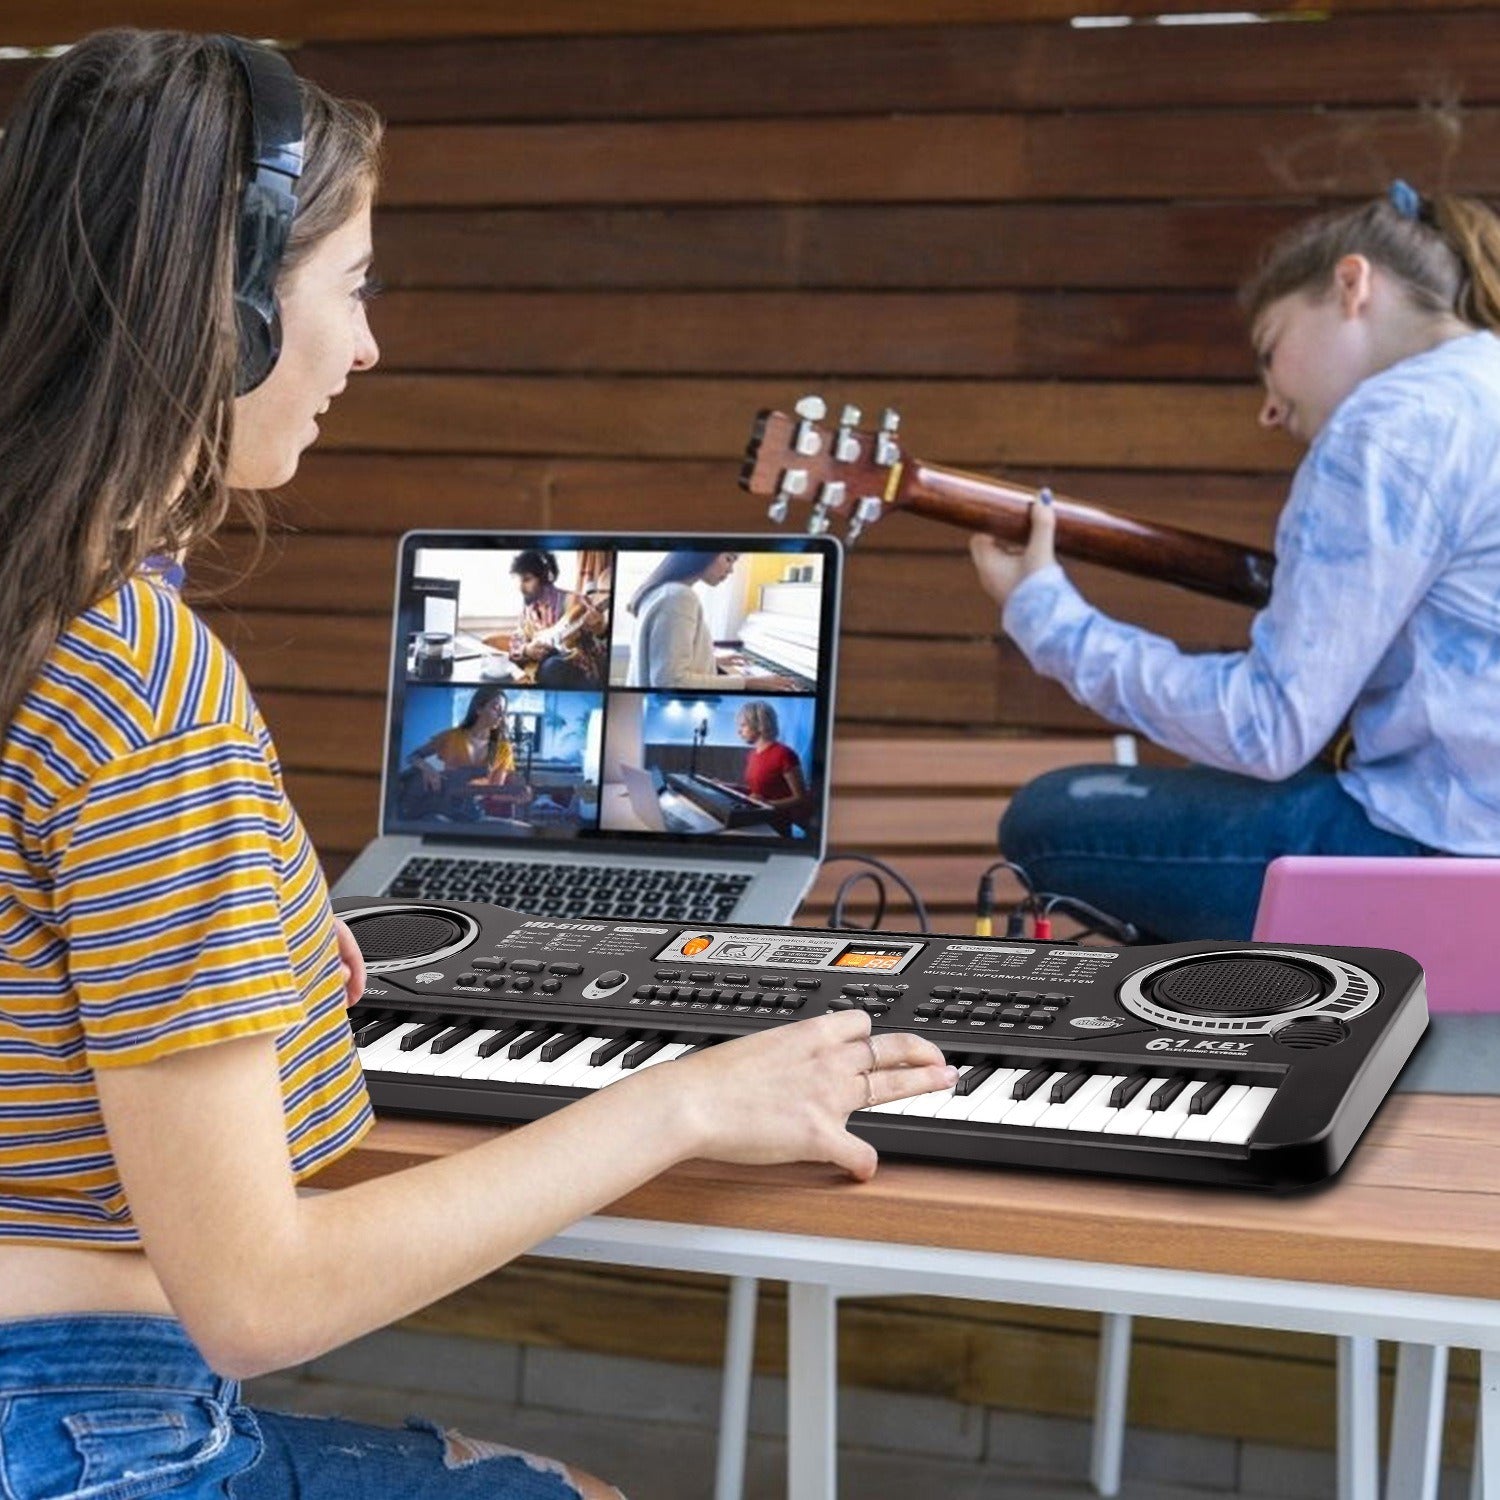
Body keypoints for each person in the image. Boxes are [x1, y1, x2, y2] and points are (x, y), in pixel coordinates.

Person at [0, 31, 956, 1500]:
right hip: (86, 1432)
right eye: (355, 285)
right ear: (231, 307)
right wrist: (683, 1101)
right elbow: (259, 1301)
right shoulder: (140, 678)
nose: (369, 347)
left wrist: (238, 920)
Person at [969, 182, 1500, 941]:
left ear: (1352, 285)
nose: (1269, 406)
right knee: (1205, 790)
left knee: (1054, 816)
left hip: (1448, 859)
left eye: (1269, 350)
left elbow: (1268, 727)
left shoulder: (1387, 426)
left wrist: (1047, 616)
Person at [624, 550, 798, 691]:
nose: (731, 570)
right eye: (729, 559)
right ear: (703, 553)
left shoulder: (663, 592)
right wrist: (747, 682)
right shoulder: (678, 596)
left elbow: (661, 661)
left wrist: (711, 661)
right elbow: (671, 683)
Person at [399, 685, 532, 822]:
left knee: (515, 827)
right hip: (442, 807)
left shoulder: (502, 748)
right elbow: (412, 756)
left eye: (503, 711)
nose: (501, 715)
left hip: (470, 810)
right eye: (496, 708)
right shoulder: (452, 736)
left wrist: (515, 796)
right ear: (479, 709)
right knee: (435, 822)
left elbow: (493, 791)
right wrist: (429, 770)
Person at [500, 548, 607, 689]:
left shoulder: (574, 601)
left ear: (543, 577)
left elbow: (599, 645)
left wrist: (598, 629)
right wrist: (527, 649)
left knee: (553, 667)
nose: (521, 587)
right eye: (518, 580)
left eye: (527, 579)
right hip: (543, 667)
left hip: (576, 669)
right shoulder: (528, 609)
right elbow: (516, 641)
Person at [735, 699, 813, 832]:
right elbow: (759, 792)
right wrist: (728, 786)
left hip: (777, 824)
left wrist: (768, 804)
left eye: (743, 725)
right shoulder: (752, 754)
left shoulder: (785, 754)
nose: (739, 731)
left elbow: (801, 798)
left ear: (759, 725)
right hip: (756, 819)